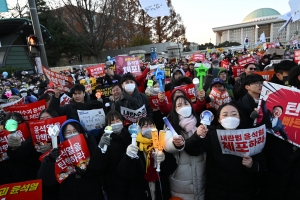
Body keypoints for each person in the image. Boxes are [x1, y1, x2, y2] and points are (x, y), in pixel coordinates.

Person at [197, 102, 265, 200]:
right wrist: (198, 136)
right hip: (215, 193)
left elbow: (261, 169)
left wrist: (252, 165)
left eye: (234, 114)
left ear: (240, 117)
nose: (230, 117)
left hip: (242, 193)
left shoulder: (250, 136)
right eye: (225, 115)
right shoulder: (211, 135)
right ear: (219, 120)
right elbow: (192, 149)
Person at [37, 119, 104, 200]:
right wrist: (49, 160)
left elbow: (101, 166)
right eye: (68, 132)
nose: (72, 134)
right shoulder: (57, 151)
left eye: (75, 131)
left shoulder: (90, 144)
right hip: (68, 193)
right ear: (63, 135)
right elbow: (45, 180)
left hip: (92, 192)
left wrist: (88, 171)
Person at [164, 95, 205, 200]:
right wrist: (174, 143)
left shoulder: (201, 124)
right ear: (174, 109)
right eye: (179, 105)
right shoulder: (171, 125)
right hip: (180, 178)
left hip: (201, 176)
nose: (184, 107)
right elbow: (166, 144)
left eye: (186, 103)